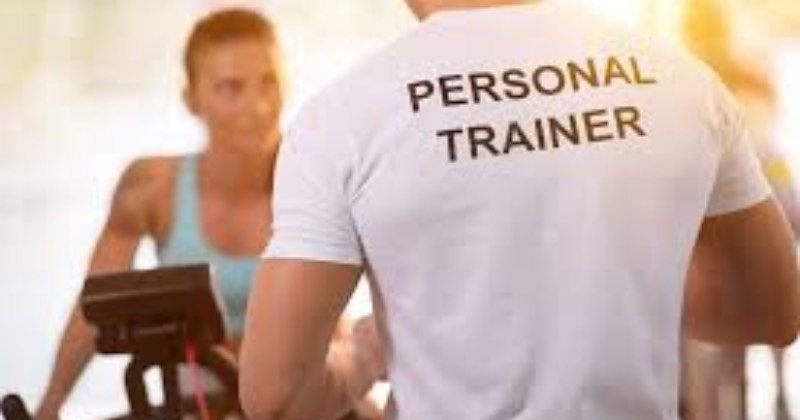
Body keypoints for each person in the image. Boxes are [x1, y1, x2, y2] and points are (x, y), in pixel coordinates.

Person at [239, 0, 800, 419]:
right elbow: (773, 311)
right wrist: (610, 288)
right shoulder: (683, 82)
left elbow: (276, 395)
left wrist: (362, 358)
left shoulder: (343, 116)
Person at [35, 8, 380, 420]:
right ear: (192, 99)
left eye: (268, 82)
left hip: (310, 402)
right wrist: (51, 404)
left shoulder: (321, 175)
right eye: (231, 88)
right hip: (195, 404)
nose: (257, 106)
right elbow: (92, 310)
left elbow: (392, 298)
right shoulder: (150, 186)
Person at [680, 1, 800, 418]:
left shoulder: (684, 73)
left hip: (730, 195)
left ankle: (740, 402)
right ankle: (776, 396)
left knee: (720, 349)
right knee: (762, 313)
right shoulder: (739, 74)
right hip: (766, 181)